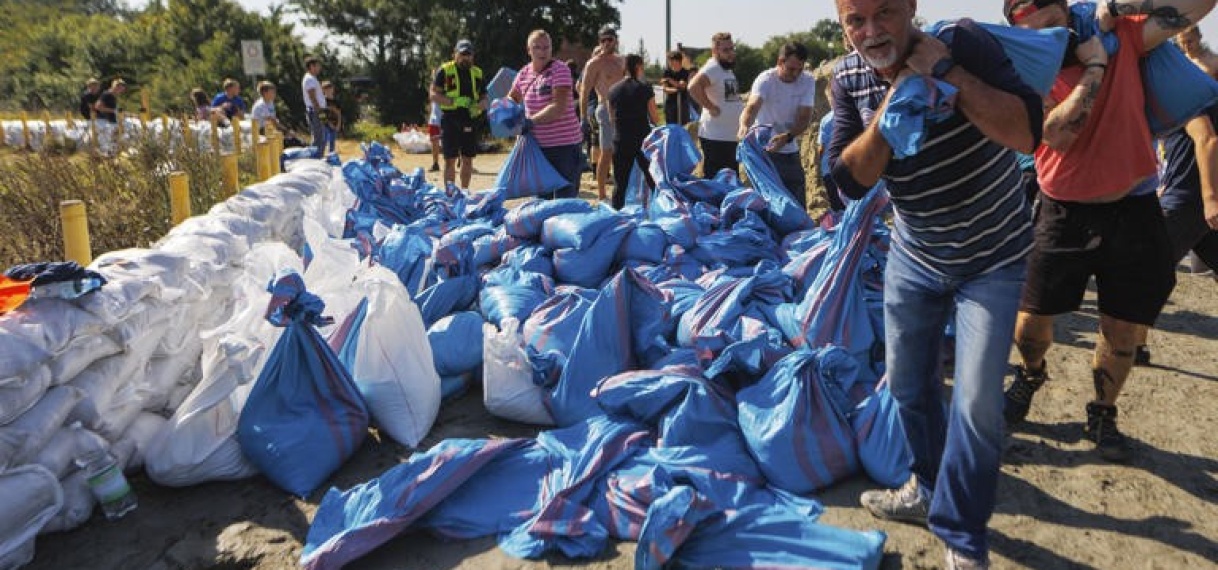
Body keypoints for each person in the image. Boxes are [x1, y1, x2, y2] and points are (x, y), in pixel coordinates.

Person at [827, 1, 1044, 568]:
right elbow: (849, 182)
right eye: (856, 20)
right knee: (907, 386)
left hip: (992, 258)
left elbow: (1025, 134)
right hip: (916, 256)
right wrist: (893, 108)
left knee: (975, 404)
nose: (871, 31)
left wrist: (946, 75)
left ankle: (963, 533)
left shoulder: (964, 44)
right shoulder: (846, 79)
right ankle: (926, 486)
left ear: (913, 8)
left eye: (886, 13)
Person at [1002, 0, 1216, 462]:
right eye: (1038, 35)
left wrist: (1119, 6)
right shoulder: (1023, 72)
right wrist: (1097, 61)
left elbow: (1199, 5)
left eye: (1057, 28)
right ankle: (1032, 372)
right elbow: (1058, 133)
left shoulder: (1124, 35)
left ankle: (1102, 410)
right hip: (1062, 211)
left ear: (1069, 16)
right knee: (1030, 323)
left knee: (1122, 330)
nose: (1051, 42)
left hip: (1134, 208)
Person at [738, 42, 817, 210]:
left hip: (789, 148)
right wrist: (744, 126)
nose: (795, 74)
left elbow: (804, 117)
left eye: (799, 69)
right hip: (766, 152)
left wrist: (787, 137)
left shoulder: (807, 80)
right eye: (791, 69)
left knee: (796, 200)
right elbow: (752, 107)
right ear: (780, 62)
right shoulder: (766, 80)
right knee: (767, 201)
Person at [508, 29, 585, 199]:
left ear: (551, 49)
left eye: (546, 47)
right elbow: (512, 98)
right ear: (529, 50)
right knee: (541, 203)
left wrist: (530, 121)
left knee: (565, 203)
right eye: (537, 47)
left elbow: (559, 106)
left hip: (565, 148)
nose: (542, 52)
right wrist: (504, 111)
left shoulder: (561, 70)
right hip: (538, 150)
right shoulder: (524, 73)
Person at [431, 39, 488, 189]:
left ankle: (464, 193)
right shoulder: (445, 70)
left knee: (468, 159)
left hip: (470, 119)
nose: (465, 58)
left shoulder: (478, 73)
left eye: (468, 54)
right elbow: (433, 94)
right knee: (450, 159)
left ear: (473, 56)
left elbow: (484, 98)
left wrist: (479, 107)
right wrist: (452, 102)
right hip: (450, 119)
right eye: (462, 54)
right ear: (454, 54)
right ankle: (450, 196)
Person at [607, 53, 661, 209]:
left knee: (620, 184)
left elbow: (612, 119)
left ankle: (616, 216)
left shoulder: (613, 90)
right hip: (642, 141)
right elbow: (655, 117)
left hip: (621, 140)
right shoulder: (645, 88)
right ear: (638, 67)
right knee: (652, 180)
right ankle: (661, 210)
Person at [689, 32, 744, 179]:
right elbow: (693, 87)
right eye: (726, 50)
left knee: (729, 181)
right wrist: (710, 107)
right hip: (716, 138)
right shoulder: (713, 68)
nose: (731, 53)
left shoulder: (725, 69)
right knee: (717, 182)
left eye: (732, 48)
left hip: (728, 137)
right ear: (715, 51)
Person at [580, 26, 626, 200]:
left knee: (624, 153)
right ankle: (601, 195)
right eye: (603, 40)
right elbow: (584, 91)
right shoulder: (594, 63)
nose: (606, 43)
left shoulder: (622, 61)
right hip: (605, 110)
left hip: (624, 112)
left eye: (610, 39)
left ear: (616, 40)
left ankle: (622, 192)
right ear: (599, 42)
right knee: (606, 152)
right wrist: (583, 118)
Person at [815, 81, 848, 212]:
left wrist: (818, 162)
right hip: (849, 168)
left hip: (830, 170)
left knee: (836, 205)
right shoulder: (852, 114)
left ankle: (842, 228)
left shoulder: (826, 120)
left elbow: (821, 147)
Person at [302, 56, 327, 150]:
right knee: (318, 138)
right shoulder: (309, 79)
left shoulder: (312, 78)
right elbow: (312, 96)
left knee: (321, 136)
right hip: (315, 111)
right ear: (312, 66)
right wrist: (319, 110)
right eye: (318, 66)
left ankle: (318, 157)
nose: (319, 68)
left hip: (317, 111)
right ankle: (315, 159)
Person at [660, 50, 692, 125]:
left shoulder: (685, 72)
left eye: (671, 61)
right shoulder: (667, 72)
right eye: (669, 61)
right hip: (670, 103)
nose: (670, 63)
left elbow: (682, 86)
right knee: (671, 126)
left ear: (678, 61)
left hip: (682, 103)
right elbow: (665, 89)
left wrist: (669, 80)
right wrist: (676, 89)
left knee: (683, 125)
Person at [321, 80, 342, 155]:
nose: (329, 90)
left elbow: (339, 114)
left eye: (330, 88)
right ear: (323, 90)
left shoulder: (336, 101)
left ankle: (331, 158)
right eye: (326, 89)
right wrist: (328, 123)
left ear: (333, 89)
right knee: (324, 142)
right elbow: (321, 113)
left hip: (335, 124)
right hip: (325, 125)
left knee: (332, 143)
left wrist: (339, 124)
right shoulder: (323, 101)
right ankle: (320, 157)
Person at [427, 101, 442, 172]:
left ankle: (461, 160)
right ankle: (435, 163)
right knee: (434, 141)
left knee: (453, 140)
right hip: (435, 119)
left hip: (445, 117)